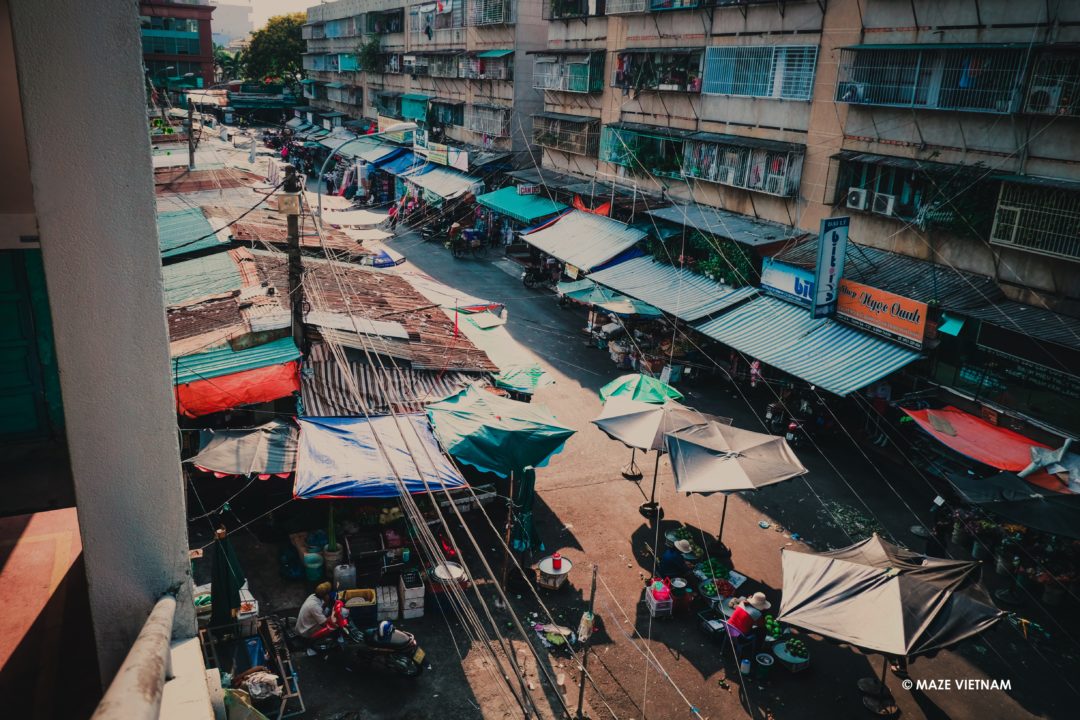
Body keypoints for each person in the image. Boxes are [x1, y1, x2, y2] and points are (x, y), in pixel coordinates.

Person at [295, 582, 333, 652]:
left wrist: (326, 602)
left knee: (328, 612)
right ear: (325, 595)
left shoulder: (313, 596)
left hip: (306, 624)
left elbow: (322, 608)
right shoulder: (314, 606)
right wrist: (333, 616)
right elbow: (324, 623)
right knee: (330, 627)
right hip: (305, 631)